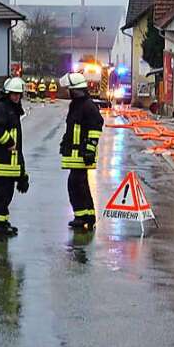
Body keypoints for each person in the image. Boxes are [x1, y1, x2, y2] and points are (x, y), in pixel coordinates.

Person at [59, 72, 104, 231]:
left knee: (76, 185)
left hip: (82, 155)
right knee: (79, 185)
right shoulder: (77, 105)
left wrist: (90, 150)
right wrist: (65, 142)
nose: (68, 92)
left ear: (75, 90)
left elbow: (96, 127)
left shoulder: (87, 106)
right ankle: (85, 216)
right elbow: (73, 129)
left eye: (69, 90)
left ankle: (83, 217)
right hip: (75, 155)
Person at [0, 77, 29, 237]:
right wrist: (9, 142)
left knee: (6, 196)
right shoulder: (0, 108)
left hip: (10, 165)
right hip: (1, 163)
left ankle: (2, 223)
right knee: (0, 196)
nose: (16, 97)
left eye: (19, 94)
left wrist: (22, 174)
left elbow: (18, 148)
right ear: (7, 93)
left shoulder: (12, 110)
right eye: (13, 94)